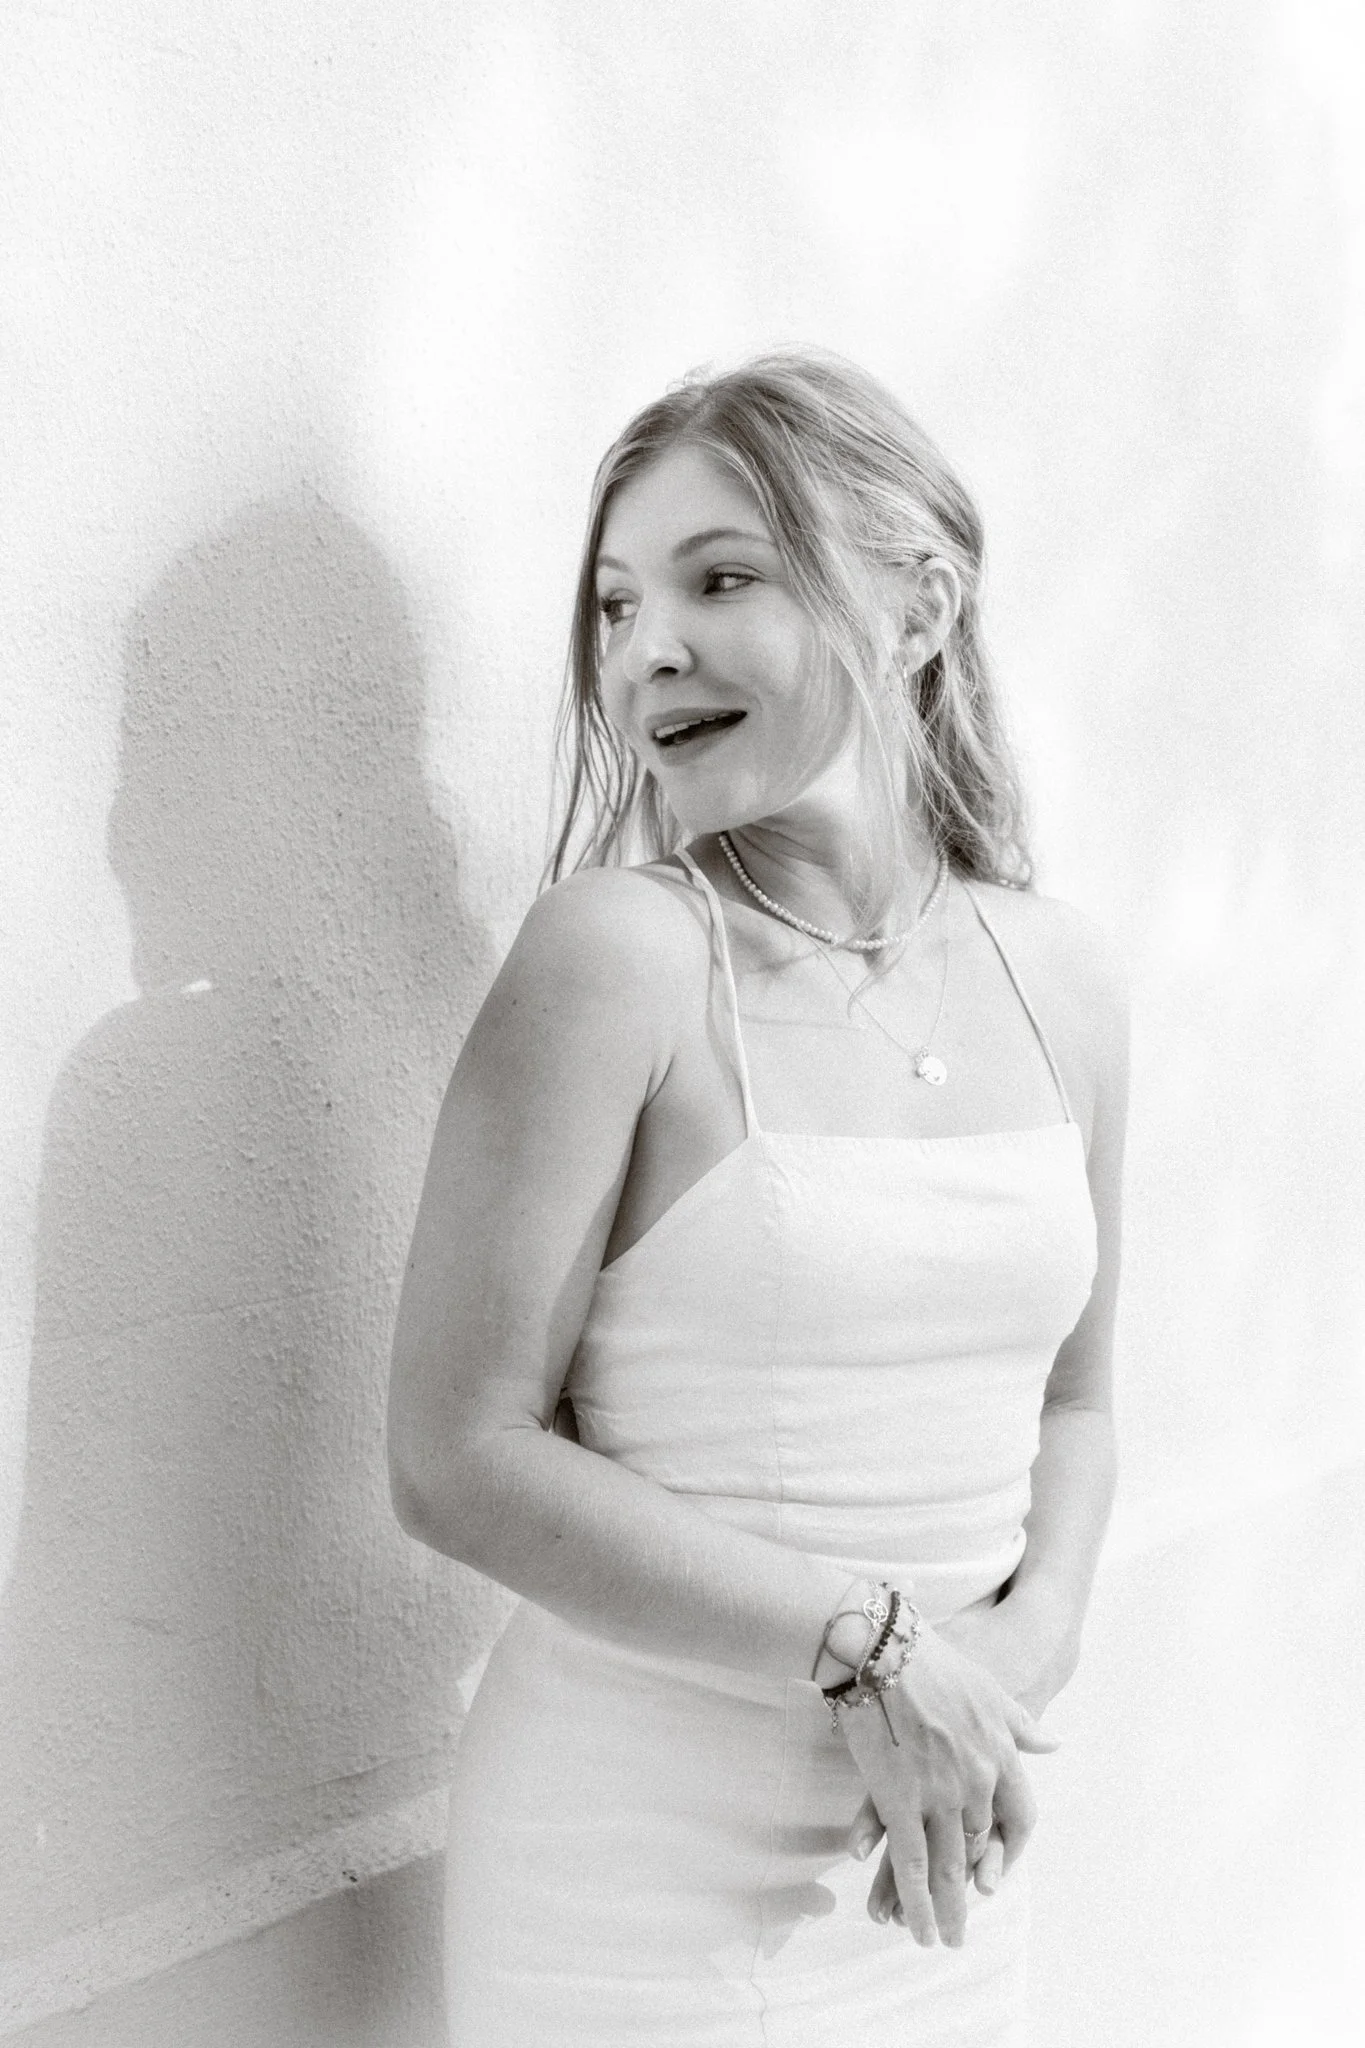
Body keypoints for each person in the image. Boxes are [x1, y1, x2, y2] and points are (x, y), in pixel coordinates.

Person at [386, 349, 1128, 2046]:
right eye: (616, 602)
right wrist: (879, 1653)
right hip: (634, 1885)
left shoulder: (1063, 980)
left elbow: (1080, 1400)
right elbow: (453, 1455)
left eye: (724, 578)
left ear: (921, 605)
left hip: (932, 1857)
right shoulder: (620, 960)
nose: (649, 649)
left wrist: (1004, 1676)